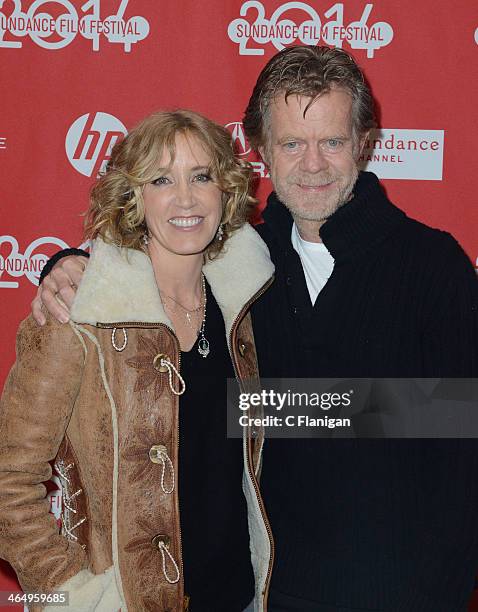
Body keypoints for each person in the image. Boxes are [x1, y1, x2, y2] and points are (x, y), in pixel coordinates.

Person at [32, 46, 478, 611]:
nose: (311, 165)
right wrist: (69, 265)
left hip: (399, 594)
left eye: (332, 142)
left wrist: (260, 408)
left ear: (364, 144)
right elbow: (149, 254)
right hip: (264, 593)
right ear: (262, 150)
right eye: (292, 143)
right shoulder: (240, 262)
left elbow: (459, 438)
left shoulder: (435, 266)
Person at [0, 109, 275, 612]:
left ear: (225, 188)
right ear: (133, 194)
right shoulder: (80, 315)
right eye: (161, 179)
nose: (186, 198)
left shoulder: (243, 308)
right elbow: (7, 479)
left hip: (237, 597)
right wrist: (74, 597)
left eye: (201, 176)